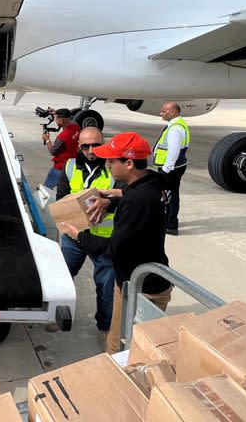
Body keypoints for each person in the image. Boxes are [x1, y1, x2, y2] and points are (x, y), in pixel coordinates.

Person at [89, 132, 172, 354]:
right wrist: (111, 201)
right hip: (144, 277)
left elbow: (112, 249)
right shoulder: (155, 181)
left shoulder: (138, 201)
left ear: (128, 163)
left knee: (125, 349)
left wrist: (77, 235)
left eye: (111, 160)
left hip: (142, 290)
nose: (106, 165)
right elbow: (133, 193)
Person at [55, 127, 122, 346]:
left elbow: (125, 199)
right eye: (86, 146)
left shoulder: (114, 167)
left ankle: (104, 327)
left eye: (96, 145)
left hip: (103, 240)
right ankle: (56, 313)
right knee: (62, 279)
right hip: (74, 238)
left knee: (106, 287)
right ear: (79, 147)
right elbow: (61, 197)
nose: (92, 150)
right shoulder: (70, 166)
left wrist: (107, 205)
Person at [153, 102, 191, 235]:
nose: (161, 114)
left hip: (171, 169)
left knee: (168, 197)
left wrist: (165, 171)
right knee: (172, 195)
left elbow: (173, 152)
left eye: (163, 111)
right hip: (176, 166)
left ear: (172, 112)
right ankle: (171, 220)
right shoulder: (177, 124)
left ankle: (170, 225)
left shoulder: (175, 129)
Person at [41, 108, 80, 189]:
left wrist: (47, 140)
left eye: (56, 119)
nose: (55, 120)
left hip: (61, 167)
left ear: (61, 121)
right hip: (73, 165)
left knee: (46, 187)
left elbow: (53, 151)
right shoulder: (76, 126)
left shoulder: (63, 137)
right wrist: (56, 113)